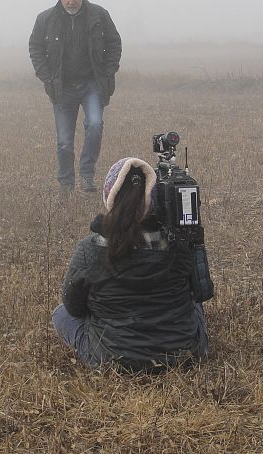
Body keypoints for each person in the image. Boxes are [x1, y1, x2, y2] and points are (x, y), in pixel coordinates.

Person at [52, 157, 209, 372]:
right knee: (196, 305)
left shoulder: (90, 248)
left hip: (111, 356)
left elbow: (74, 307)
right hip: (182, 353)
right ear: (156, 200)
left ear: (110, 196)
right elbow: (199, 292)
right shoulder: (179, 244)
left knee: (60, 313)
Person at [29, 0, 122, 194]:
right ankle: (66, 184)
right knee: (64, 140)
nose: (71, 1)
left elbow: (114, 43)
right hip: (62, 87)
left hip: (92, 84)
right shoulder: (46, 19)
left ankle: (87, 175)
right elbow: (35, 48)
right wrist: (47, 77)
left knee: (95, 125)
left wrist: (109, 73)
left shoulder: (99, 15)